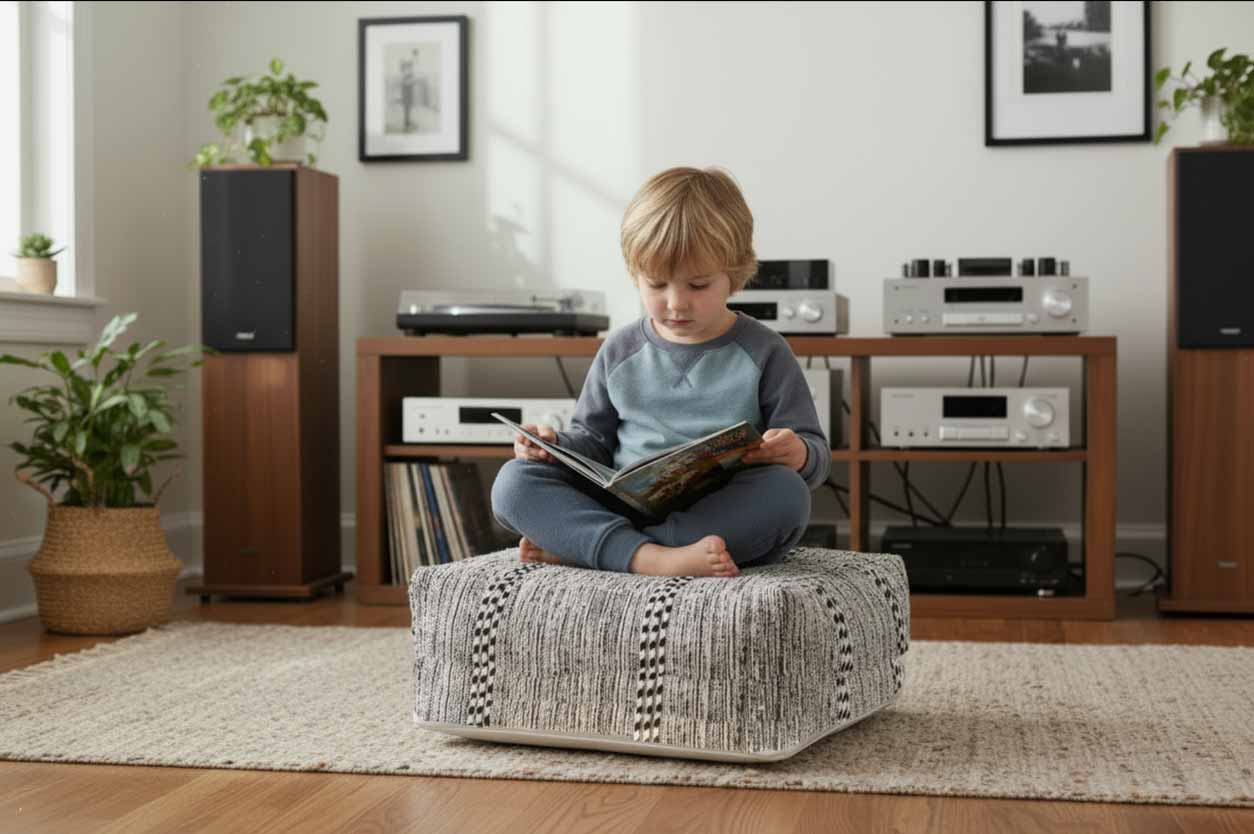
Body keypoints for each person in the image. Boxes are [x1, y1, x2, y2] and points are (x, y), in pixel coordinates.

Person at [490, 166, 830, 578]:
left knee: (786, 494)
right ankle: (651, 557)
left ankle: (599, 548)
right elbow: (593, 442)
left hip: (717, 509)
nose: (676, 303)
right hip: (625, 499)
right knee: (513, 483)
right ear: (636, 276)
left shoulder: (764, 350)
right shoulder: (620, 349)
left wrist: (798, 452)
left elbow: (814, 453)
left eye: (698, 286)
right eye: (657, 285)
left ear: (734, 274)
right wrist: (553, 446)